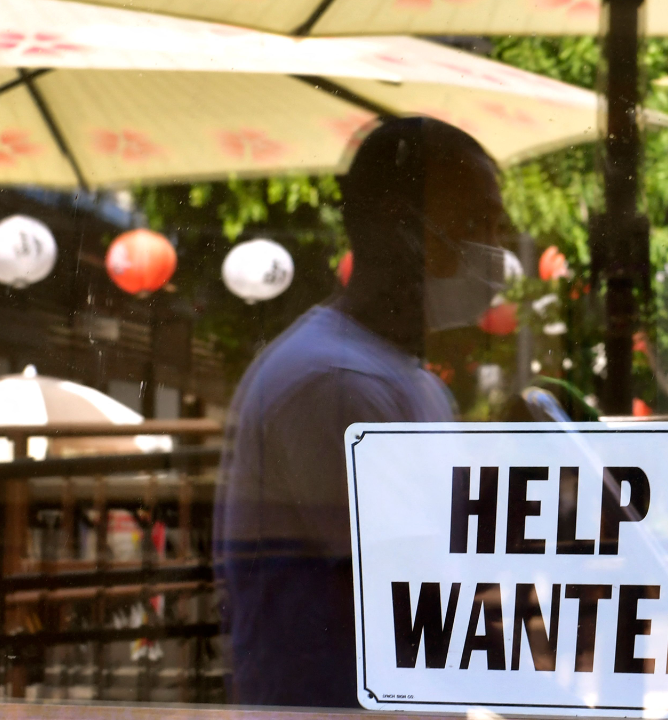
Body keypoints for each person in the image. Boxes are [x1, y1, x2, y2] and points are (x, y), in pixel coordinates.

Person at [214, 118, 512, 708]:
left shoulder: (404, 377)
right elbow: (423, 612)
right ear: (405, 230)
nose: (496, 252)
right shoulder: (336, 383)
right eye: (477, 224)